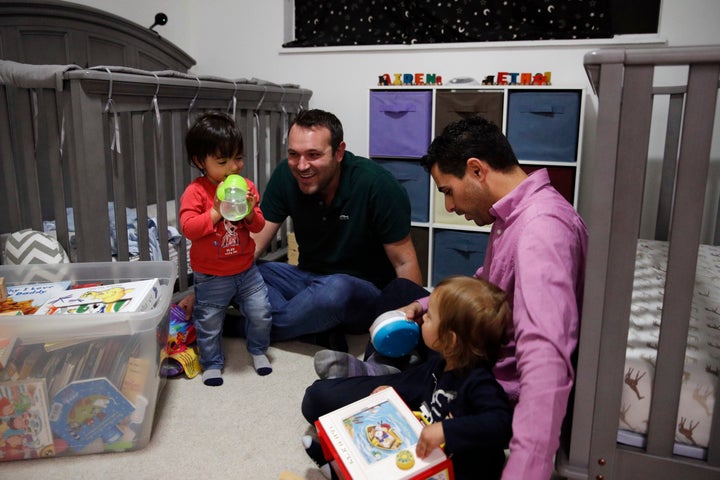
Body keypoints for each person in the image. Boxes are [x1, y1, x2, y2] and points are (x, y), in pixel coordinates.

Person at [303, 115, 588, 479]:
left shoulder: (541, 232)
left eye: (447, 191)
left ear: (476, 170)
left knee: (317, 399)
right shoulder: (513, 215)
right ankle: (387, 368)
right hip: (466, 346)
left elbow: (547, 362)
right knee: (400, 291)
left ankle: (394, 370)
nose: (450, 207)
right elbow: (483, 284)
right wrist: (422, 306)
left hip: (472, 373)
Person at [303, 275, 514, 480]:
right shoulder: (442, 363)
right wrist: (394, 397)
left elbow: (503, 423)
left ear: (449, 340)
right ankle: (338, 465)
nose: (423, 318)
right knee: (376, 435)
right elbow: (422, 392)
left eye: (429, 317)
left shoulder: (479, 382)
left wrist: (446, 430)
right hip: (428, 443)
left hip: (461, 468)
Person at [252, 109, 422, 351]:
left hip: (361, 292)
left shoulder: (378, 185)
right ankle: (314, 326)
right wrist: (208, 291)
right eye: (293, 154)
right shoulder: (285, 176)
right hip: (308, 280)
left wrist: (408, 321)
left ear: (339, 152)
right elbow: (253, 245)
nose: (301, 166)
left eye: (313, 155)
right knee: (243, 273)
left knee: (336, 289)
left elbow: (404, 263)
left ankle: (252, 328)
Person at [179, 111, 274, 386]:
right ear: (201, 162)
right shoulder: (196, 192)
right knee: (208, 321)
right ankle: (211, 364)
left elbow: (257, 226)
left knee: (261, 312)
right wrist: (215, 212)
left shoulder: (247, 187)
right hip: (211, 275)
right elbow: (188, 228)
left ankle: (258, 350)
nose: (233, 167)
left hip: (246, 270)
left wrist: (247, 211)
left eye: (238, 158)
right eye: (222, 161)